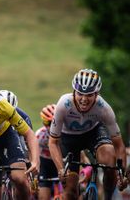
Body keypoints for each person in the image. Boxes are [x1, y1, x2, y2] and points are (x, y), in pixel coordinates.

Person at [48, 68, 127, 200]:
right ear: (74, 91)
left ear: (97, 94)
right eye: (80, 94)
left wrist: (121, 173)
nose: (84, 99)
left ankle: (108, 196)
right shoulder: (63, 104)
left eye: (90, 95)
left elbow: (119, 144)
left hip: (93, 134)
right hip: (69, 139)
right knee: (70, 193)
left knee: (109, 159)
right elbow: (53, 142)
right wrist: (61, 169)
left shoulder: (103, 107)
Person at [35, 104, 59, 200]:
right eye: (49, 123)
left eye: (55, 123)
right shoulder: (39, 136)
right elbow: (33, 158)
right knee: (43, 197)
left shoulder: (67, 134)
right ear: (45, 124)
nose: (53, 127)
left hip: (60, 162)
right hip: (45, 165)